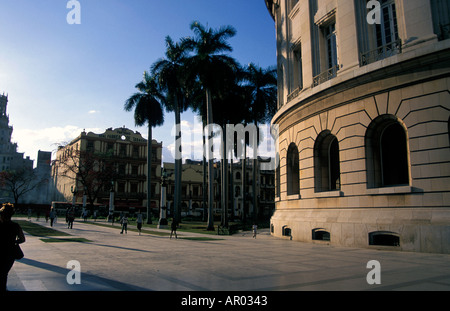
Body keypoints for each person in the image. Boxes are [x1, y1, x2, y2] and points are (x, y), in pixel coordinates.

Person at [0, 203, 26, 291]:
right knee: (4, 273)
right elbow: (22, 239)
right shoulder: (15, 226)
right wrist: (14, 241)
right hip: (10, 253)